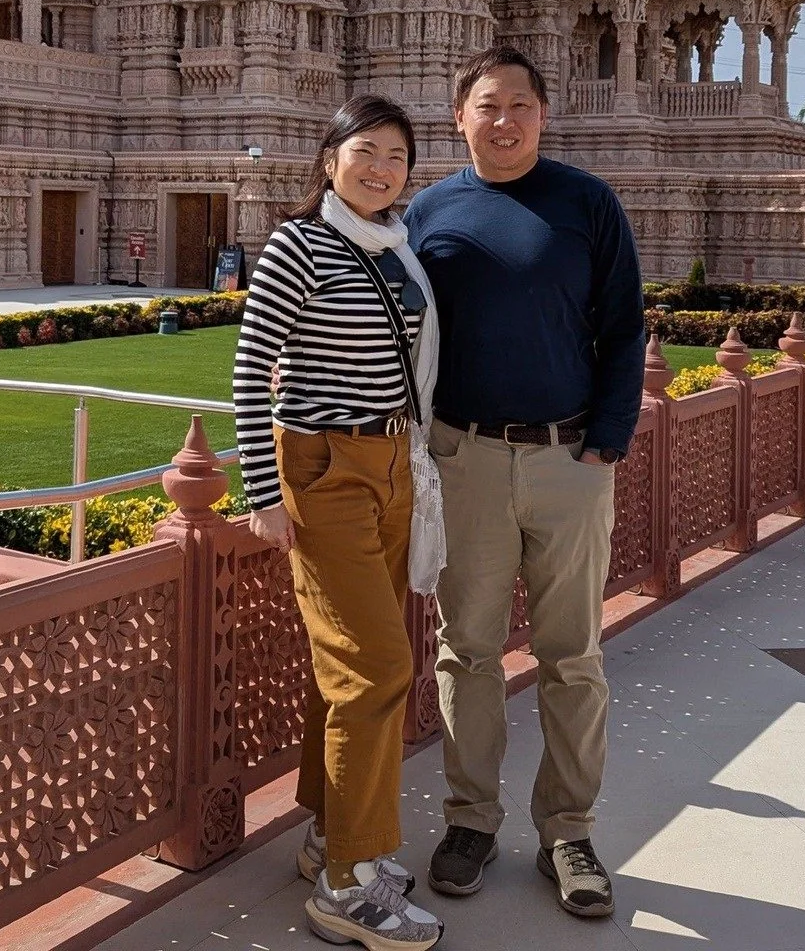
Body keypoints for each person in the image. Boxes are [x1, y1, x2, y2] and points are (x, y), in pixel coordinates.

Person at [404, 47, 644, 921]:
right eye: (485, 106)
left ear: (544, 114)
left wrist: (607, 441)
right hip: (465, 458)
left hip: (567, 459)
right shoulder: (430, 212)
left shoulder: (586, 203)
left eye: (519, 106)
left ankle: (567, 830)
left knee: (571, 655)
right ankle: (470, 819)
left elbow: (624, 326)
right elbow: (400, 336)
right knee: (465, 650)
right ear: (457, 117)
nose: (502, 121)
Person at [234, 96, 444, 951]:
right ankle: (350, 885)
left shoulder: (397, 249)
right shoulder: (299, 244)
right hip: (324, 470)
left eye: (396, 155)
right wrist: (261, 494)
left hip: (391, 464)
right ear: (329, 160)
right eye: (364, 151)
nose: (380, 167)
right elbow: (252, 372)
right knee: (379, 664)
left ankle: (328, 834)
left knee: (348, 665)